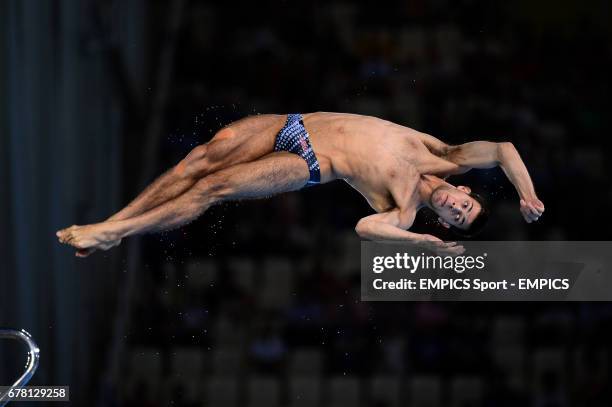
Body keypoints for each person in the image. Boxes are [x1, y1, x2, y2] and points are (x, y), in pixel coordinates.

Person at [56, 112, 544, 256]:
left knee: (213, 187)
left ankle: (117, 233)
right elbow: (503, 150)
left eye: (455, 219)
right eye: (464, 204)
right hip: (296, 123)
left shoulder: (404, 211)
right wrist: (527, 194)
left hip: (309, 162)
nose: (455, 208)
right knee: (196, 162)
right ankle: (109, 224)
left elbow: (364, 230)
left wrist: (422, 244)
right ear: (465, 190)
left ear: (443, 221)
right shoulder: (446, 154)